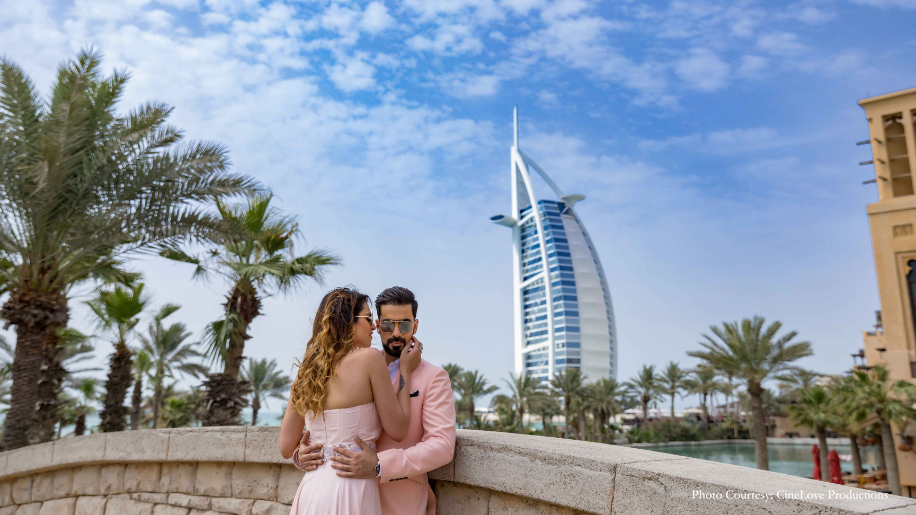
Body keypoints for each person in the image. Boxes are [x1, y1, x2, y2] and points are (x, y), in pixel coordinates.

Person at [292, 286, 456, 515]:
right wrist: (302, 455)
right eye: (388, 325)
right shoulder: (355, 366)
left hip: (400, 503)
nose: (396, 333)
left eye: (405, 325)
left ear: (415, 326)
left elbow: (442, 446)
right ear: (377, 326)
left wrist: (380, 465)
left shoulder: (434, 377)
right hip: (346, 497)